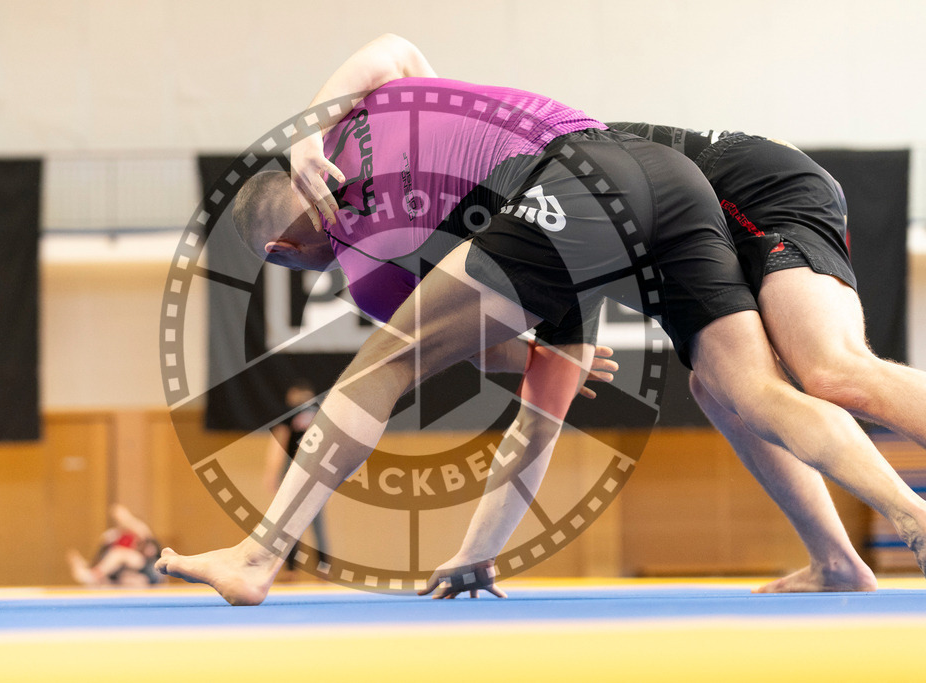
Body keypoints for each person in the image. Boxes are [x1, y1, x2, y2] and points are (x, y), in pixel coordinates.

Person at [156, 34, 926, 605]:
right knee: (739, 388)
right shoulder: (395, 116)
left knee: (381, 364)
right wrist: (476, 553)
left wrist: (302, 140)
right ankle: (893, 516)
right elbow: (393, 47)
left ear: (291, 246)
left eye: (292, 261)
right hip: (660, 186)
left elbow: (437, 356)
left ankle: (259, 555)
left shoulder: (368, 260)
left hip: (616, 181)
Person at [426, 124, 924, 597]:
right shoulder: (547, 280)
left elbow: (402, 64)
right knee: (722, 390)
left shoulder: (524, 219)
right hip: (700, 217)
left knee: (832, 369)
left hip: (752, 187)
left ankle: (914, 519)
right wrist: (476, 553)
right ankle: (836, 563)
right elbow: (538, 423)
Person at [263, 380, 330, 575]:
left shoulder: (290, 413)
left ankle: (291, 567)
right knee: (315, 518)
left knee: (289, 521)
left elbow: (279, 444)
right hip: (313, 470)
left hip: (294, 469)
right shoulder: (320, 413)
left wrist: (271, 473)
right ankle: (323, 565)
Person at [67, 504, 165, 587]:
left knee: (119, 553)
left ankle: (93, 575)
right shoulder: (111, 535)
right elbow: (100, 555)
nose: (120, 520)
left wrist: (125, 517)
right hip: (118, 570)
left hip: (142, 564)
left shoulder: (140, 530)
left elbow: (149, 542)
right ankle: (91, 571)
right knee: (115, 554)